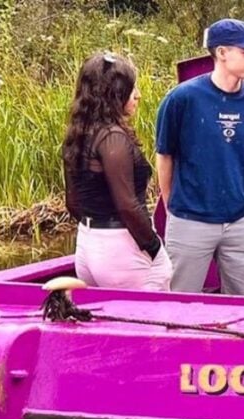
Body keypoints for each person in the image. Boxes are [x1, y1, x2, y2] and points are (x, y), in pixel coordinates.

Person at [155, 19, 244, 295]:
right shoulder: (181, 99)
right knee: (179, 307)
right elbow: (164, 157)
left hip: (241, 220)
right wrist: (174, 209)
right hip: (190, 220)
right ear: (221, 53)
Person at [63, 52, 171, 291]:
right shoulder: (112, 137)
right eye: (132, 89)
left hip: (87, 245)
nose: (138, 95)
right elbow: (127, 205)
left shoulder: (78, 133)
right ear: (115, 94)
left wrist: (98, 231)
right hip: (122, 248)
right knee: (151, 323)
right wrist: (155, 248)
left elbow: (72, 202)